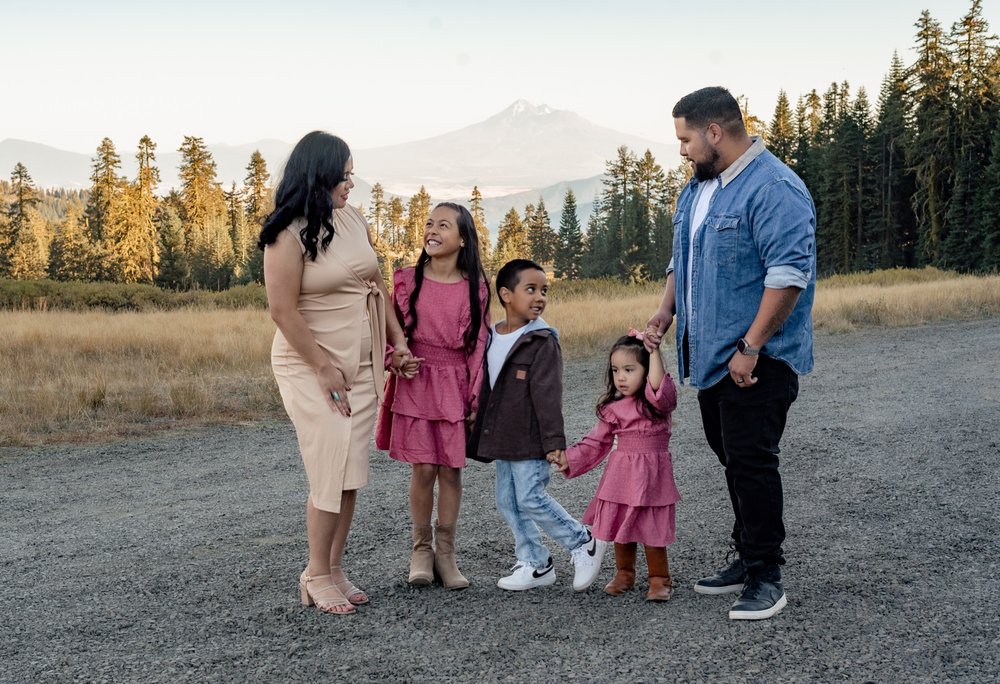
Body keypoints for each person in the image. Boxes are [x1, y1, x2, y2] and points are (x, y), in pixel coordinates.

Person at [645, 87, 816, 620]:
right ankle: (746, 557)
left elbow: (788, 276)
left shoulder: (775, 188)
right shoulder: (697, 190)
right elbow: (682, 260)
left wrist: (751, 346)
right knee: (733, 460)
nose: (682, 150)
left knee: (752, 461)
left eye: (686, 139)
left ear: (714, 132)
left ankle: (767, 575)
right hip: (712, 358)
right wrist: (664, 313)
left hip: (757, 360)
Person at [260, 131, 413, 616]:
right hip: (311, 365)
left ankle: (334, 566)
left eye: (352, 174)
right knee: (329, 465)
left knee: (349, 471)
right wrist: (323, 368)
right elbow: (282, 311)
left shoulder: (351, 218)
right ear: (319, 175)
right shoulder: (285, 233)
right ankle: (314, 573)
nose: (351, 183)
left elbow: (376, 284)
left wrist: (397, 341)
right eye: (343, 175)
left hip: (360, 364)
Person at [467, 259, 605, 592]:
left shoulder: (541, 341)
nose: (539, 297)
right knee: (508, 501)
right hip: (503, 437)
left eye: (544, 290)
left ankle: (582, 541)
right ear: (506, 294)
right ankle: (536, 563)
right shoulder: (491, 337)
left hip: (530, 438)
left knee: (530, 497)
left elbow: (548, 395)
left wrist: (553, 442)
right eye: (530, 289)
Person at [375, 202, 490, 590]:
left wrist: (475, 397)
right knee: (423, 468)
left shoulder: (476, 288)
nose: (432, 230)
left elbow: (479, 345)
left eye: (443, 225)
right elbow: (388, 328)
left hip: (455, 382)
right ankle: (421, 550)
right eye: (429, 223)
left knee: (451, 470)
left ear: (463, 239)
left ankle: (445, 554)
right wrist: (393, 358)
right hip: (417, 379)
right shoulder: (408, 280)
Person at [549, 331, 679, 601]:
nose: (621, 377)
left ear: (647, 370)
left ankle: (659, 579)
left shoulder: (657, 404)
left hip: (653, 477)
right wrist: (569, 458)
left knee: (652, 526)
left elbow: (659, 387)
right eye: (616, 370)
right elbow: (595, 442)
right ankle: (624, 574)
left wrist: (654, 351)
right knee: (621, 523)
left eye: (629, 370)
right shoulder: (614, 408)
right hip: (621, 476)